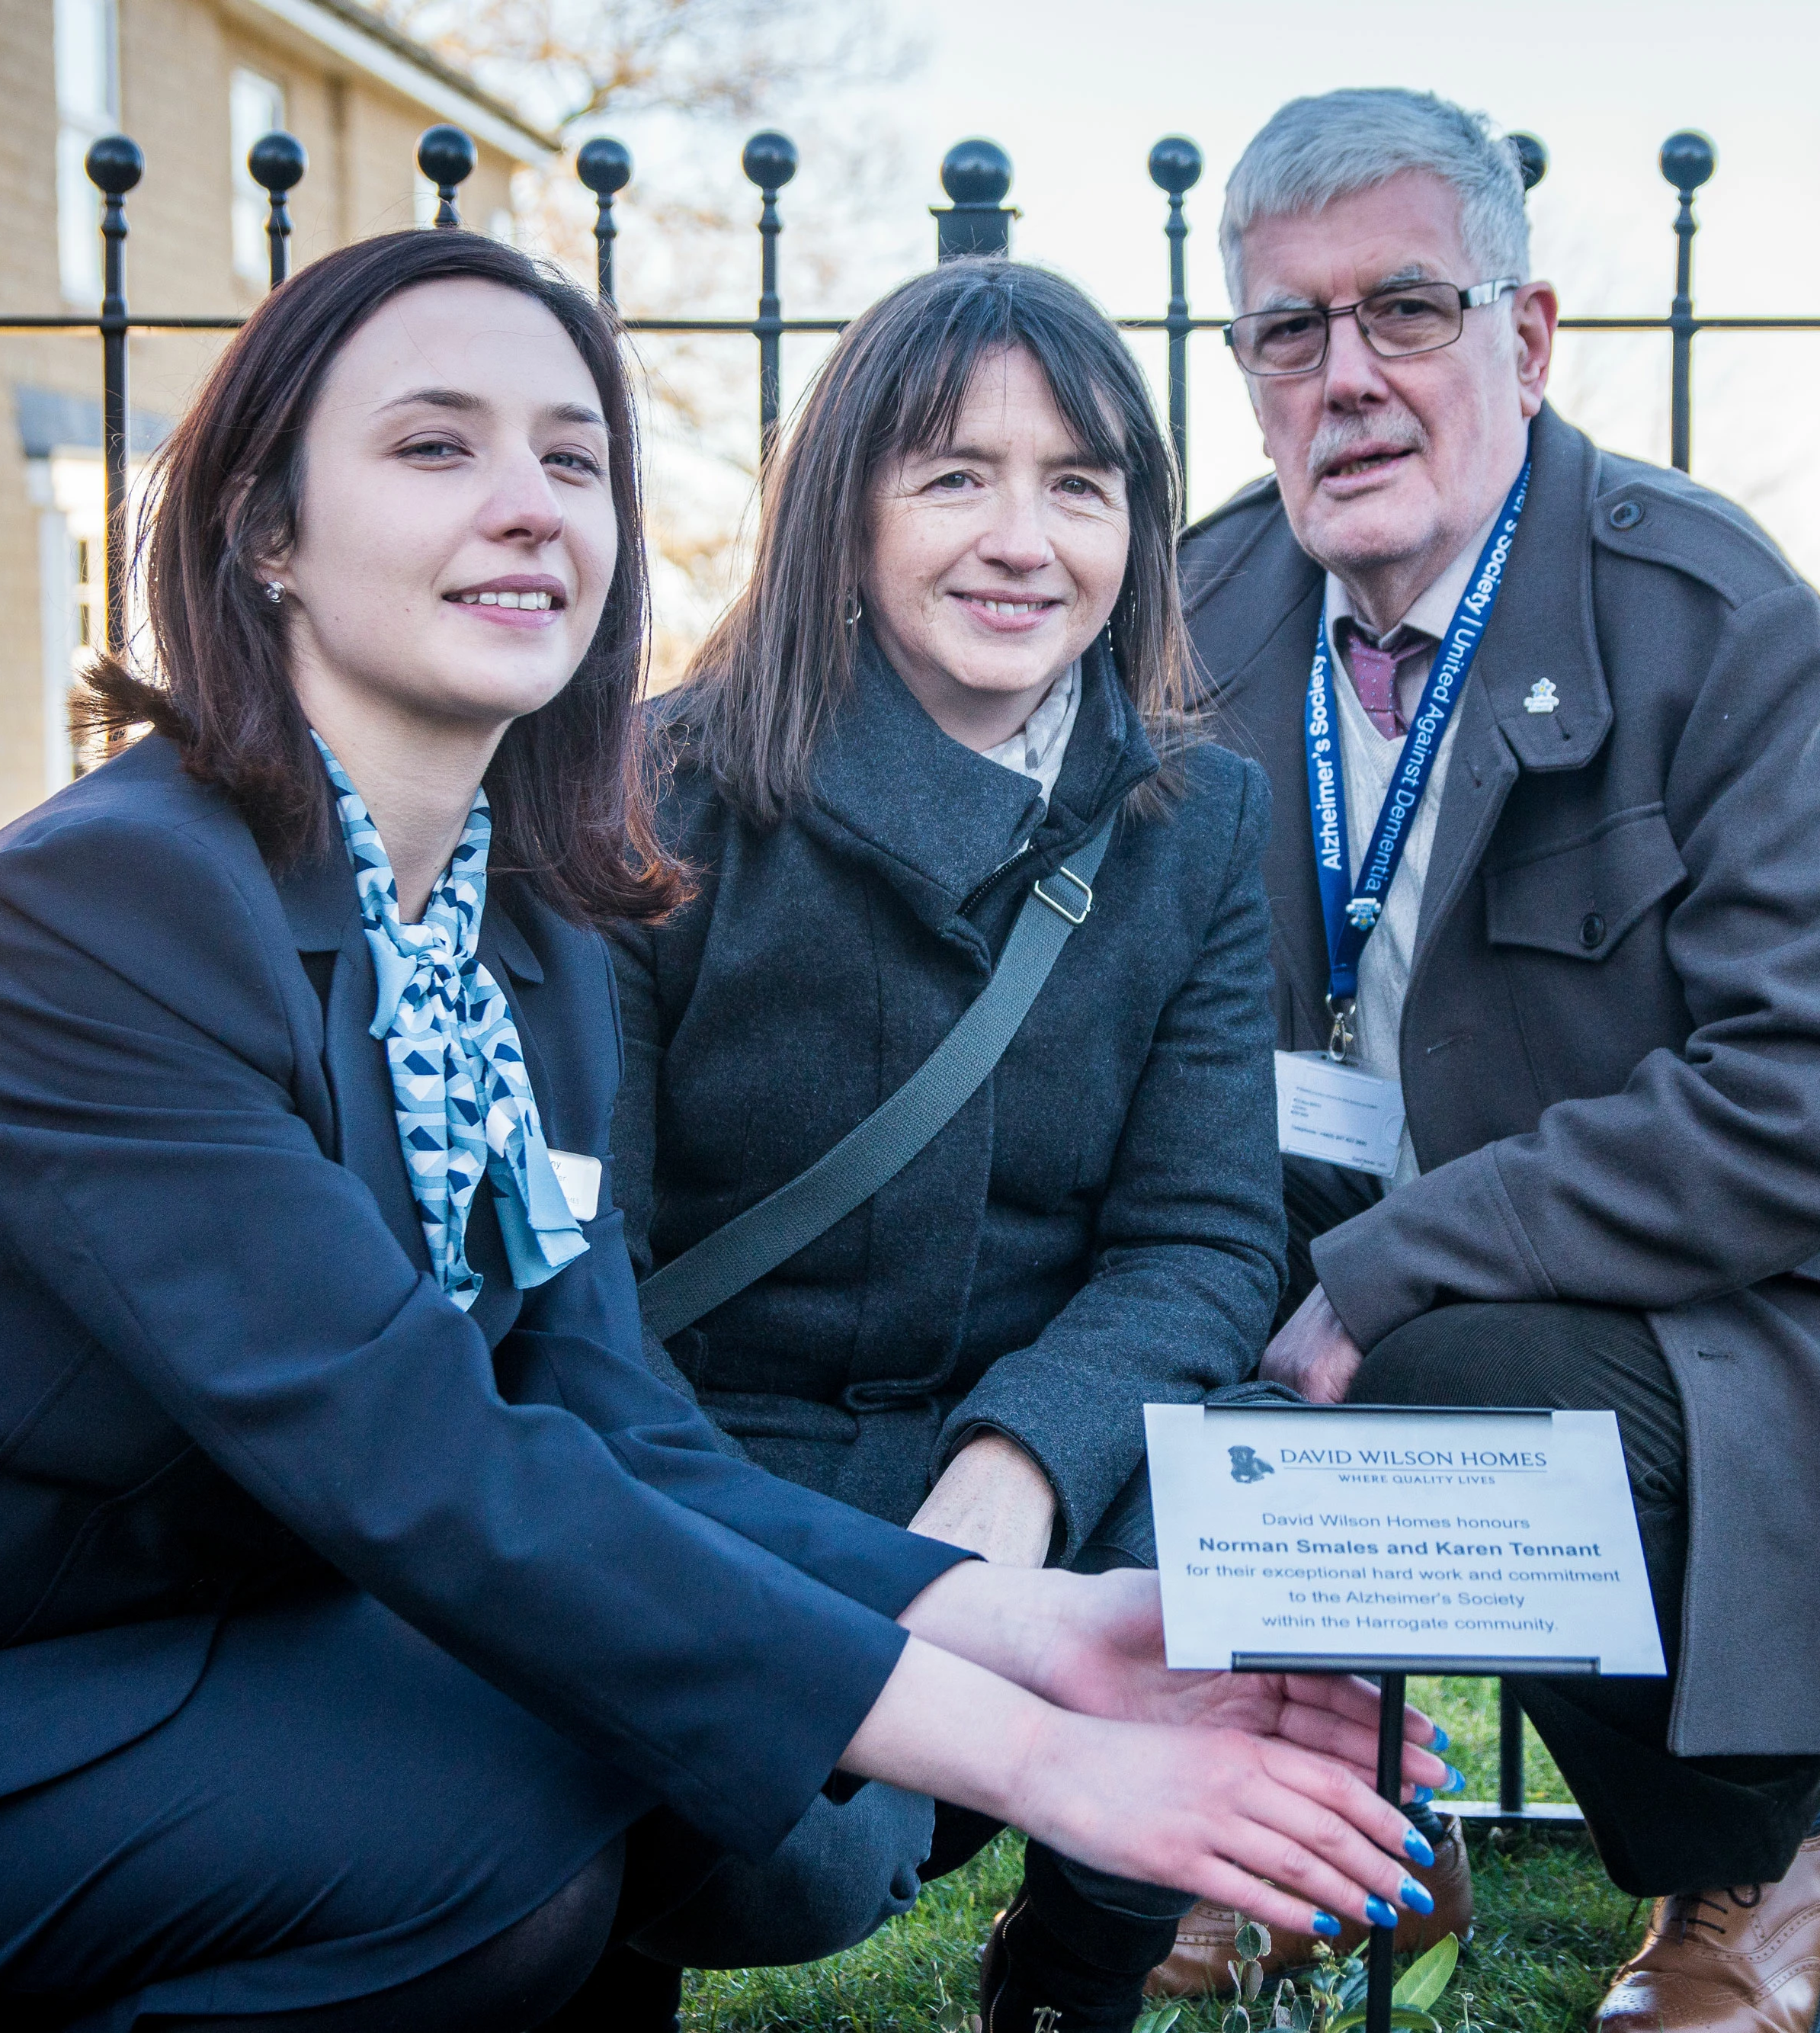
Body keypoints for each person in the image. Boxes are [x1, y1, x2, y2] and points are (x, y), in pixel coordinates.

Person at [0, 229, 1445, 2033]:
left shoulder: (514, 916)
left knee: (552, 1774)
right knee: (509, 1806)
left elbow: (597, 1417)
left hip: (133, 1654)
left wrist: (1029, 1629)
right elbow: (423, 1457)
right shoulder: (100, 916)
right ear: (265, 529)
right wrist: (1043, 1758)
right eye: (433, 446)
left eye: (572, 455)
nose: (527, 500)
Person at [1174, 89, 1820, 2033]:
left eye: (1404, 310)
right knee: (1144, 1286)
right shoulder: (1199, 604)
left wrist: (1391, 1261)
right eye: (1284, 330)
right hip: (1350, 1216)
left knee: (1455, 1372)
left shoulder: (1705, 611)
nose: (1344, 378)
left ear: (1527, 332)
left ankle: (1754, 1835)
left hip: (1776, 1306)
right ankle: (1331, 1822)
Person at [594, 257, 1431, 2033]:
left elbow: (1202, 1240)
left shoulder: (1194, 817)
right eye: (951, 475)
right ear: (844, 510)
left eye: (1077, 483)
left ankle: (1072, 1979)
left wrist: (1022, 1463)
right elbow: (577, 1295)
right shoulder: (647, 795)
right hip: (707, 1469)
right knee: (777, 1858)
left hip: (1030, 1451)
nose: (1020, 538)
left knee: (1238, 1532)